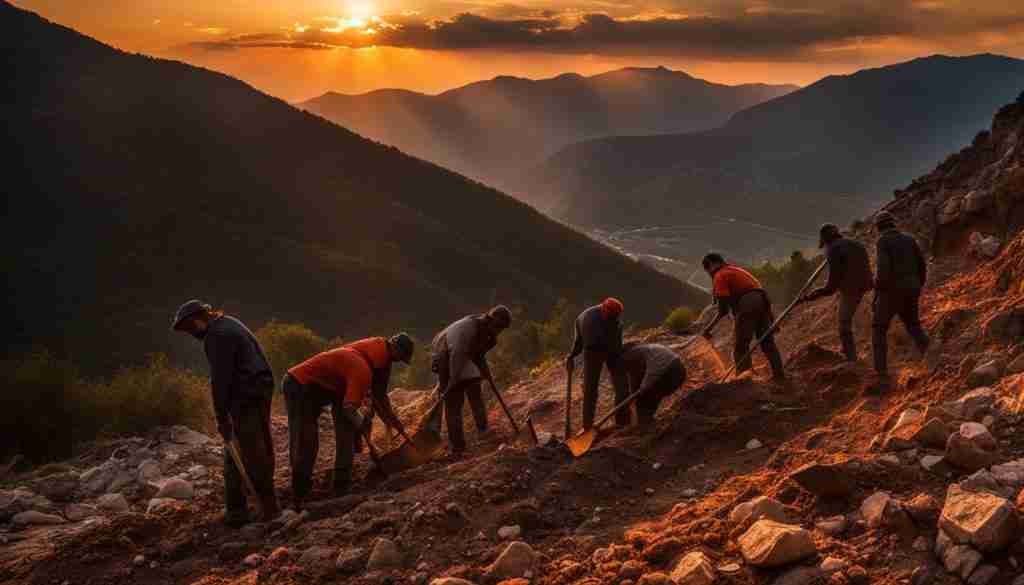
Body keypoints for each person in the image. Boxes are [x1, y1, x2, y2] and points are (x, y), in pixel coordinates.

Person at [171, 300, 280, 527]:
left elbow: (221, 380)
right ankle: (236, 511)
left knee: (252, 451)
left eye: (189, 328)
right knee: (234, 451)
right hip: (256, 390)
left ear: (197, 319)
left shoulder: (217, 336)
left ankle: (270, 509)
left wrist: (221, 417)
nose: (190, 334)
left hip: (246, 396)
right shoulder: (228, 323)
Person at [282, 333, 414, 506]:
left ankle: (341, 485)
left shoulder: (378, 357)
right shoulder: (363, 369)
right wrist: (362, 425)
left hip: (334, 386)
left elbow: (378, 396)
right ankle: (299, 496)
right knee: (307, 441)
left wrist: (392, 421)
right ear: (395, 348)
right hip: (300, 385)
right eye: (401, 357)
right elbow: (351, 407)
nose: (399, 362)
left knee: (347, 430)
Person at [431, 306, 512, 453]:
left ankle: (483, 431)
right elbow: (457, 354)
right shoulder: (469, 328)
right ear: (490, 319)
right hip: (444, 350)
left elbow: (478, 356)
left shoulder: (490, 337)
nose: (499, 331)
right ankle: (458, 447)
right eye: (498, 326)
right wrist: (453, 379)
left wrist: (487, 374)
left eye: (502, 328)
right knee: (453, 402)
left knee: (475, 386)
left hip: (461, 354)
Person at [700, 253, 786, 381]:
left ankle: (744, 381)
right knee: (768, 343)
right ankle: (779, 377)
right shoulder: (737, 270)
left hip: (748, 304)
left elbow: (723, 310)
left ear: (712, 264)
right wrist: (771, 319)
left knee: (740, 347)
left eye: (707, 268)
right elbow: (759, 291)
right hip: (762, 301)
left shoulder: (720, 275)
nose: (709, 273)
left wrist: (708, 329)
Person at [871, 211, 930, 387]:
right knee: (914, 326)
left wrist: (878, 292)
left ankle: (881, 374)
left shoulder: (883, 241)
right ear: (893, 223)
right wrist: (917, 285)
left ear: (879, 227)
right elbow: (922, 265)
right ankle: (933, 358)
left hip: (891, 292)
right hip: (912, 288)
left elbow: (883, 271)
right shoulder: (909, 239)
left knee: (879, 328)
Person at [800, 224, 874, 361]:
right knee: (849, 314)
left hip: (852, 289)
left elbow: (831, 287)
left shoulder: (833, 249)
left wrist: (812, 296)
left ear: (826, 240)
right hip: (868, 284)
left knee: (844, 323)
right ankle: (848, 350)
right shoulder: (854, 243)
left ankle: (851, 358)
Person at [565, 299, 628, 430]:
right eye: (610, 317)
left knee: (621, 384)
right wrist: (572, 356)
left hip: (608, 345)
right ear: (603, 310)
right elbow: (587, 347)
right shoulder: (589, 320)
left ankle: (622, 423)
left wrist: (617, 358)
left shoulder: (615, 320)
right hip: (591, 347)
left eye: (615, 318)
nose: (613, 319)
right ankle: (587, 426)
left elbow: (616, 345)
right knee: (591, 388)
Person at [618, 342, 686, 425]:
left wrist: (642, 388)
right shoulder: (641, 354)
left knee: (647, 396)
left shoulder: (643, 351)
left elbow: (653, 372)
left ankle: (645, 422)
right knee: (643, 397)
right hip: (669, 373)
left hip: (673, 373)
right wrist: (634, 394)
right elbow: (634, 377)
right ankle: (644, 421)